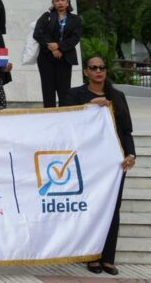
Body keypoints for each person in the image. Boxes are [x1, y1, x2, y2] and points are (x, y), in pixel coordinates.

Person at [63, 56, 136, 276]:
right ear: (86, 72)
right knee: (92, 208)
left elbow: (126, 130)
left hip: (114, 164)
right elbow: (63, 120)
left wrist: (131, 154)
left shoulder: (118, 96)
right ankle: (92, 256)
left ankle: (108, 258)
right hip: (88, 162)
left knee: (113, 209)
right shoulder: (75, 94)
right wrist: (88, 106)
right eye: (94, 68)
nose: (98, 71)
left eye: (102, 68)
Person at [34, 0, 83, 107]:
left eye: (62, 0)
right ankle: (49, 117)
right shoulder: (46, 17)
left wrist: (60, 47)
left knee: (64, 91)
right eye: (57, 0)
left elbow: (75, 38)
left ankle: (63, 118)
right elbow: (38, 34)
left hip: (65, 58)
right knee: (48, 91)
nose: (60, 3)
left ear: (67, 2)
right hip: (46, 58)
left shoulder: (75, 19)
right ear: (53, 3)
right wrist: (53, 48)